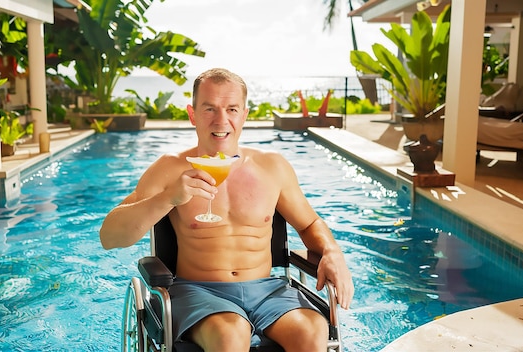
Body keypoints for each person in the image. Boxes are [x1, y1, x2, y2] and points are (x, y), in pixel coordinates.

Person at [100, 68, 354, 352]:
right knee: (231, 333)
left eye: (231, 109)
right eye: (210, 108)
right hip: (199, 292)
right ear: (193, 114)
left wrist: (332, 251)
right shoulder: (170, 169)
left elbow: (309, 224)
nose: (221, 120)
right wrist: (169, 198)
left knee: (311, 330)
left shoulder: (272, 167)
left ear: (244, 114)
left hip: (269, 291)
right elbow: (110, 237)